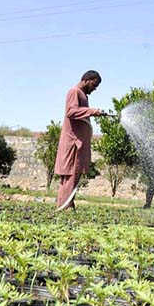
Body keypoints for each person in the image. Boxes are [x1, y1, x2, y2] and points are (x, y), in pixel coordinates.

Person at [54, 70, 105, 211]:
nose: (94, 89)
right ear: (87, 80)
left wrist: (91, 112)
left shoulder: (82, 95)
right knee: (71, 174)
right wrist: (91, 111)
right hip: (73, 143)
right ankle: (66, 206)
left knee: (72, 175)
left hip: (77, 142)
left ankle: (65, 205)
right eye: (94, 85)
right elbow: (71, 112)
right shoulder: (74, 92)